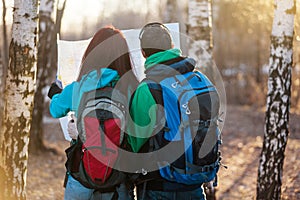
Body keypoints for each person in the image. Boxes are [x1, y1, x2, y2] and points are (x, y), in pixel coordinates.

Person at [47, 26, 138, 200]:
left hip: (82, 174)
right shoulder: (132, 87)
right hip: (119, 178)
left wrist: (56, 94)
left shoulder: (79, 87)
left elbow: (55, 109)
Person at [127, 22, 207, 200]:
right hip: (195, 184)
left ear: (143, 53)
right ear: (172, 46)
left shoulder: (148, 89)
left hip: (159, 186)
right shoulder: (199, 79)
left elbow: (135, 141)